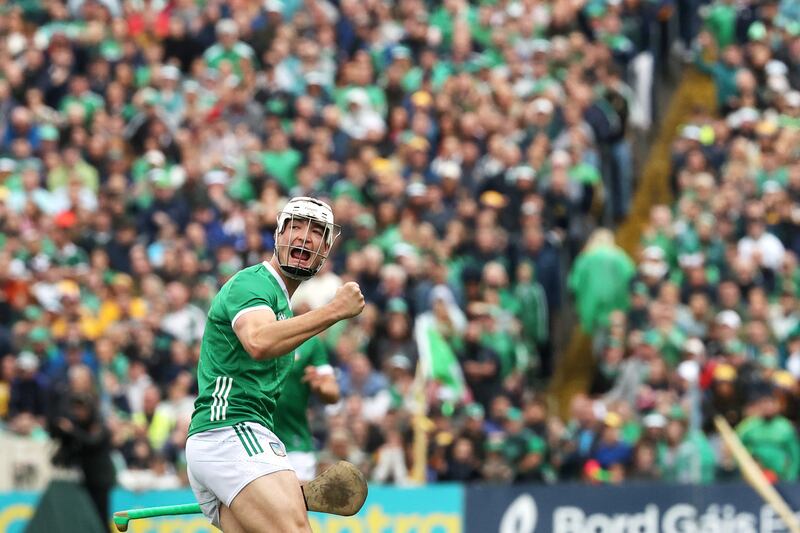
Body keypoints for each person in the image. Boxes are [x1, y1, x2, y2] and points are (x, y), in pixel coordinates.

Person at [186, 197, 365, 532]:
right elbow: (258, 341)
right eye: (295, 226)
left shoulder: (282, 306)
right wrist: (334, 310)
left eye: (315, 232)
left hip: (239, 440)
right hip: (230, 431)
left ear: (325, 249)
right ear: (278, 234)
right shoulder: (252, 283)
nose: (303, 237)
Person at [273, 304, 341, 482]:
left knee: (297, 502)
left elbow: (332, 392)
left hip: (294, 437)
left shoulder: (312, 344)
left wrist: (321, 386)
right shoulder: (256, 338)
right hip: (255, 434)